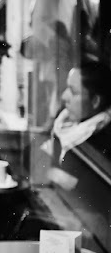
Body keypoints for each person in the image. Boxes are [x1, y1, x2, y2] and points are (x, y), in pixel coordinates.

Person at [43, 60, 111, 192]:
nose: (64, 96)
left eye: (73, 92)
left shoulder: (103, 142)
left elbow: (82, 190)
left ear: (95, 101)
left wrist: (47, 170)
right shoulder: (65, 120)